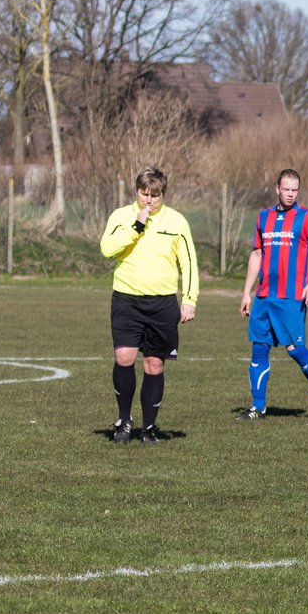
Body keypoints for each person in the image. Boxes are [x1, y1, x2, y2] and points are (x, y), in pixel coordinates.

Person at [99, 166, 198, 445]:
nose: (149, 200)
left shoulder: (177, 222)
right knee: (124, 358)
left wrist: (189, 299)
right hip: (126, 299)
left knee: (154, 365)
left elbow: (188, 262)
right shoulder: (121, 216)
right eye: (144, 194)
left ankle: (149, 428)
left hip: (162, 303)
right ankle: (124, 421)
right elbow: (107, 249)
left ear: (163, 194)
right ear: (137, 192)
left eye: (155, 195)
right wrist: (136, 226)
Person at [237, 169, 308, 421]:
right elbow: (257, 255)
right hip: (264, 297)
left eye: (295, 190)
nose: (290, 194)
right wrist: (247, 292)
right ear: (277, 188)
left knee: (294, 349)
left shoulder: (307, 217)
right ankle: (257, 406)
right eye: (286, 189)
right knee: (259, 349)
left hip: (292, 297)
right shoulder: (263, 218)